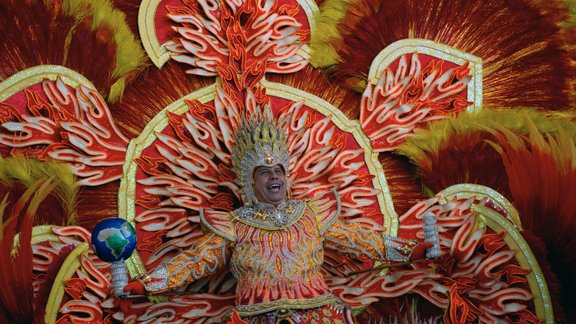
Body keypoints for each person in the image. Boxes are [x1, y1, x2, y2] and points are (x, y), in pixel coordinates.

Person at [124, 112, 434, 323]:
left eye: (278, 171)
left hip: (317, 314)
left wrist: (409, 251)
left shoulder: (310, 214)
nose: (274, 176)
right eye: (264, 172)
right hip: (255, 316)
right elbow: (193, 261)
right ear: (250, 183)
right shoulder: (235, 225)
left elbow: (359, 240)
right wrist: (146, 284)